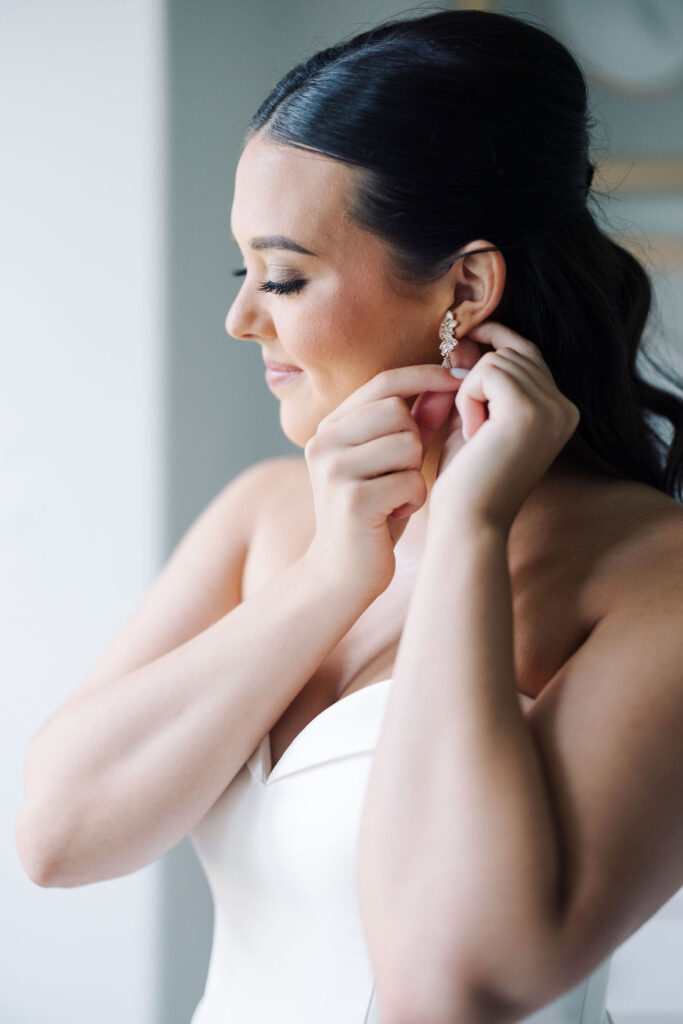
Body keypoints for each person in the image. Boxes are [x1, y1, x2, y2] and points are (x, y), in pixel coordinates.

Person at [16, 9, 682, 1024]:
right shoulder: (268, 513)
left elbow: (450, 980)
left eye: (282, 275)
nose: (242, 317)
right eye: (242, 269)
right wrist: (333, 575)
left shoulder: (653, 576)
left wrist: (465, 531)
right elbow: (58, 838)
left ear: (463, 286)